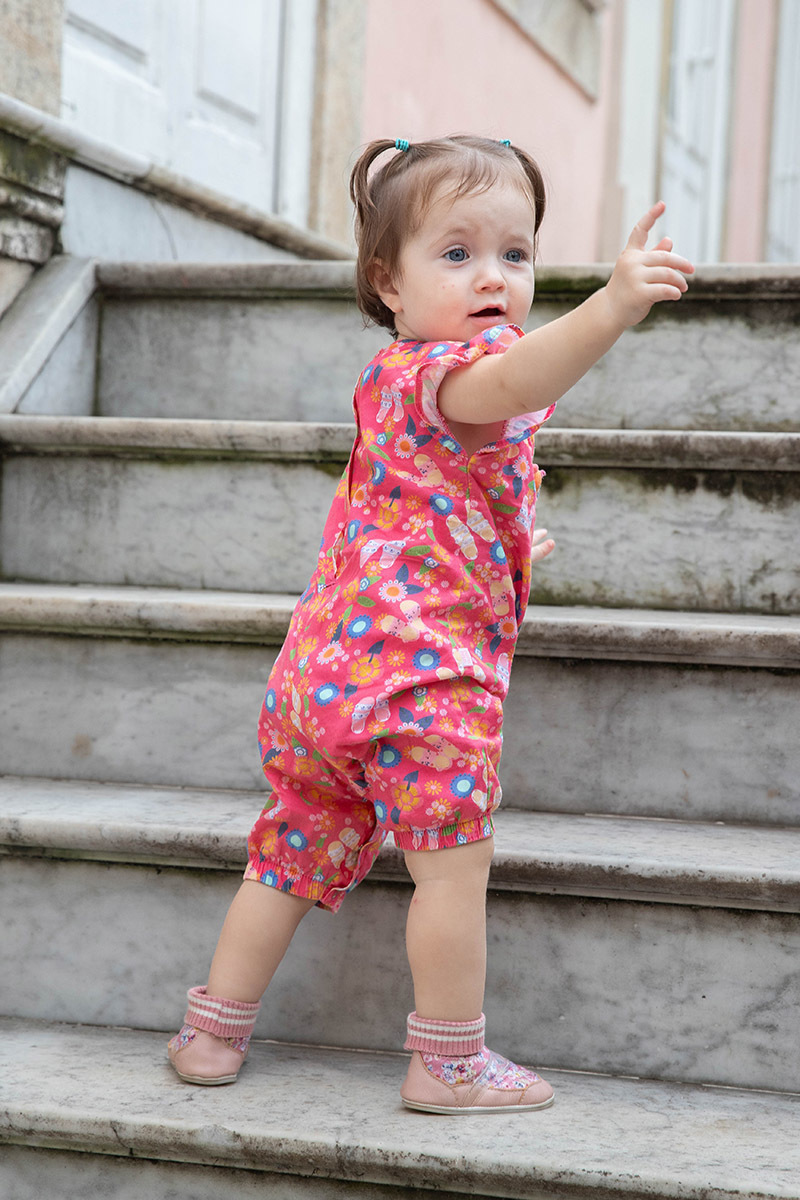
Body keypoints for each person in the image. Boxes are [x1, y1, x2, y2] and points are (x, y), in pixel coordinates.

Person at [167, 135, 693, 1113]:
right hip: (421, 683)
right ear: (388, 284)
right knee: (450, 869)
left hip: (318, 679)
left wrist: (509, 536)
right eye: (455, 255)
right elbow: (521, 383)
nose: (491, 276)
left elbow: (427, 495)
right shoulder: (459, 373)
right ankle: (445, 1063)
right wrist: (613, 302)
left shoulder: (388, 377)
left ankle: (211, 1030)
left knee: (288, 854)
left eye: (514, 254)